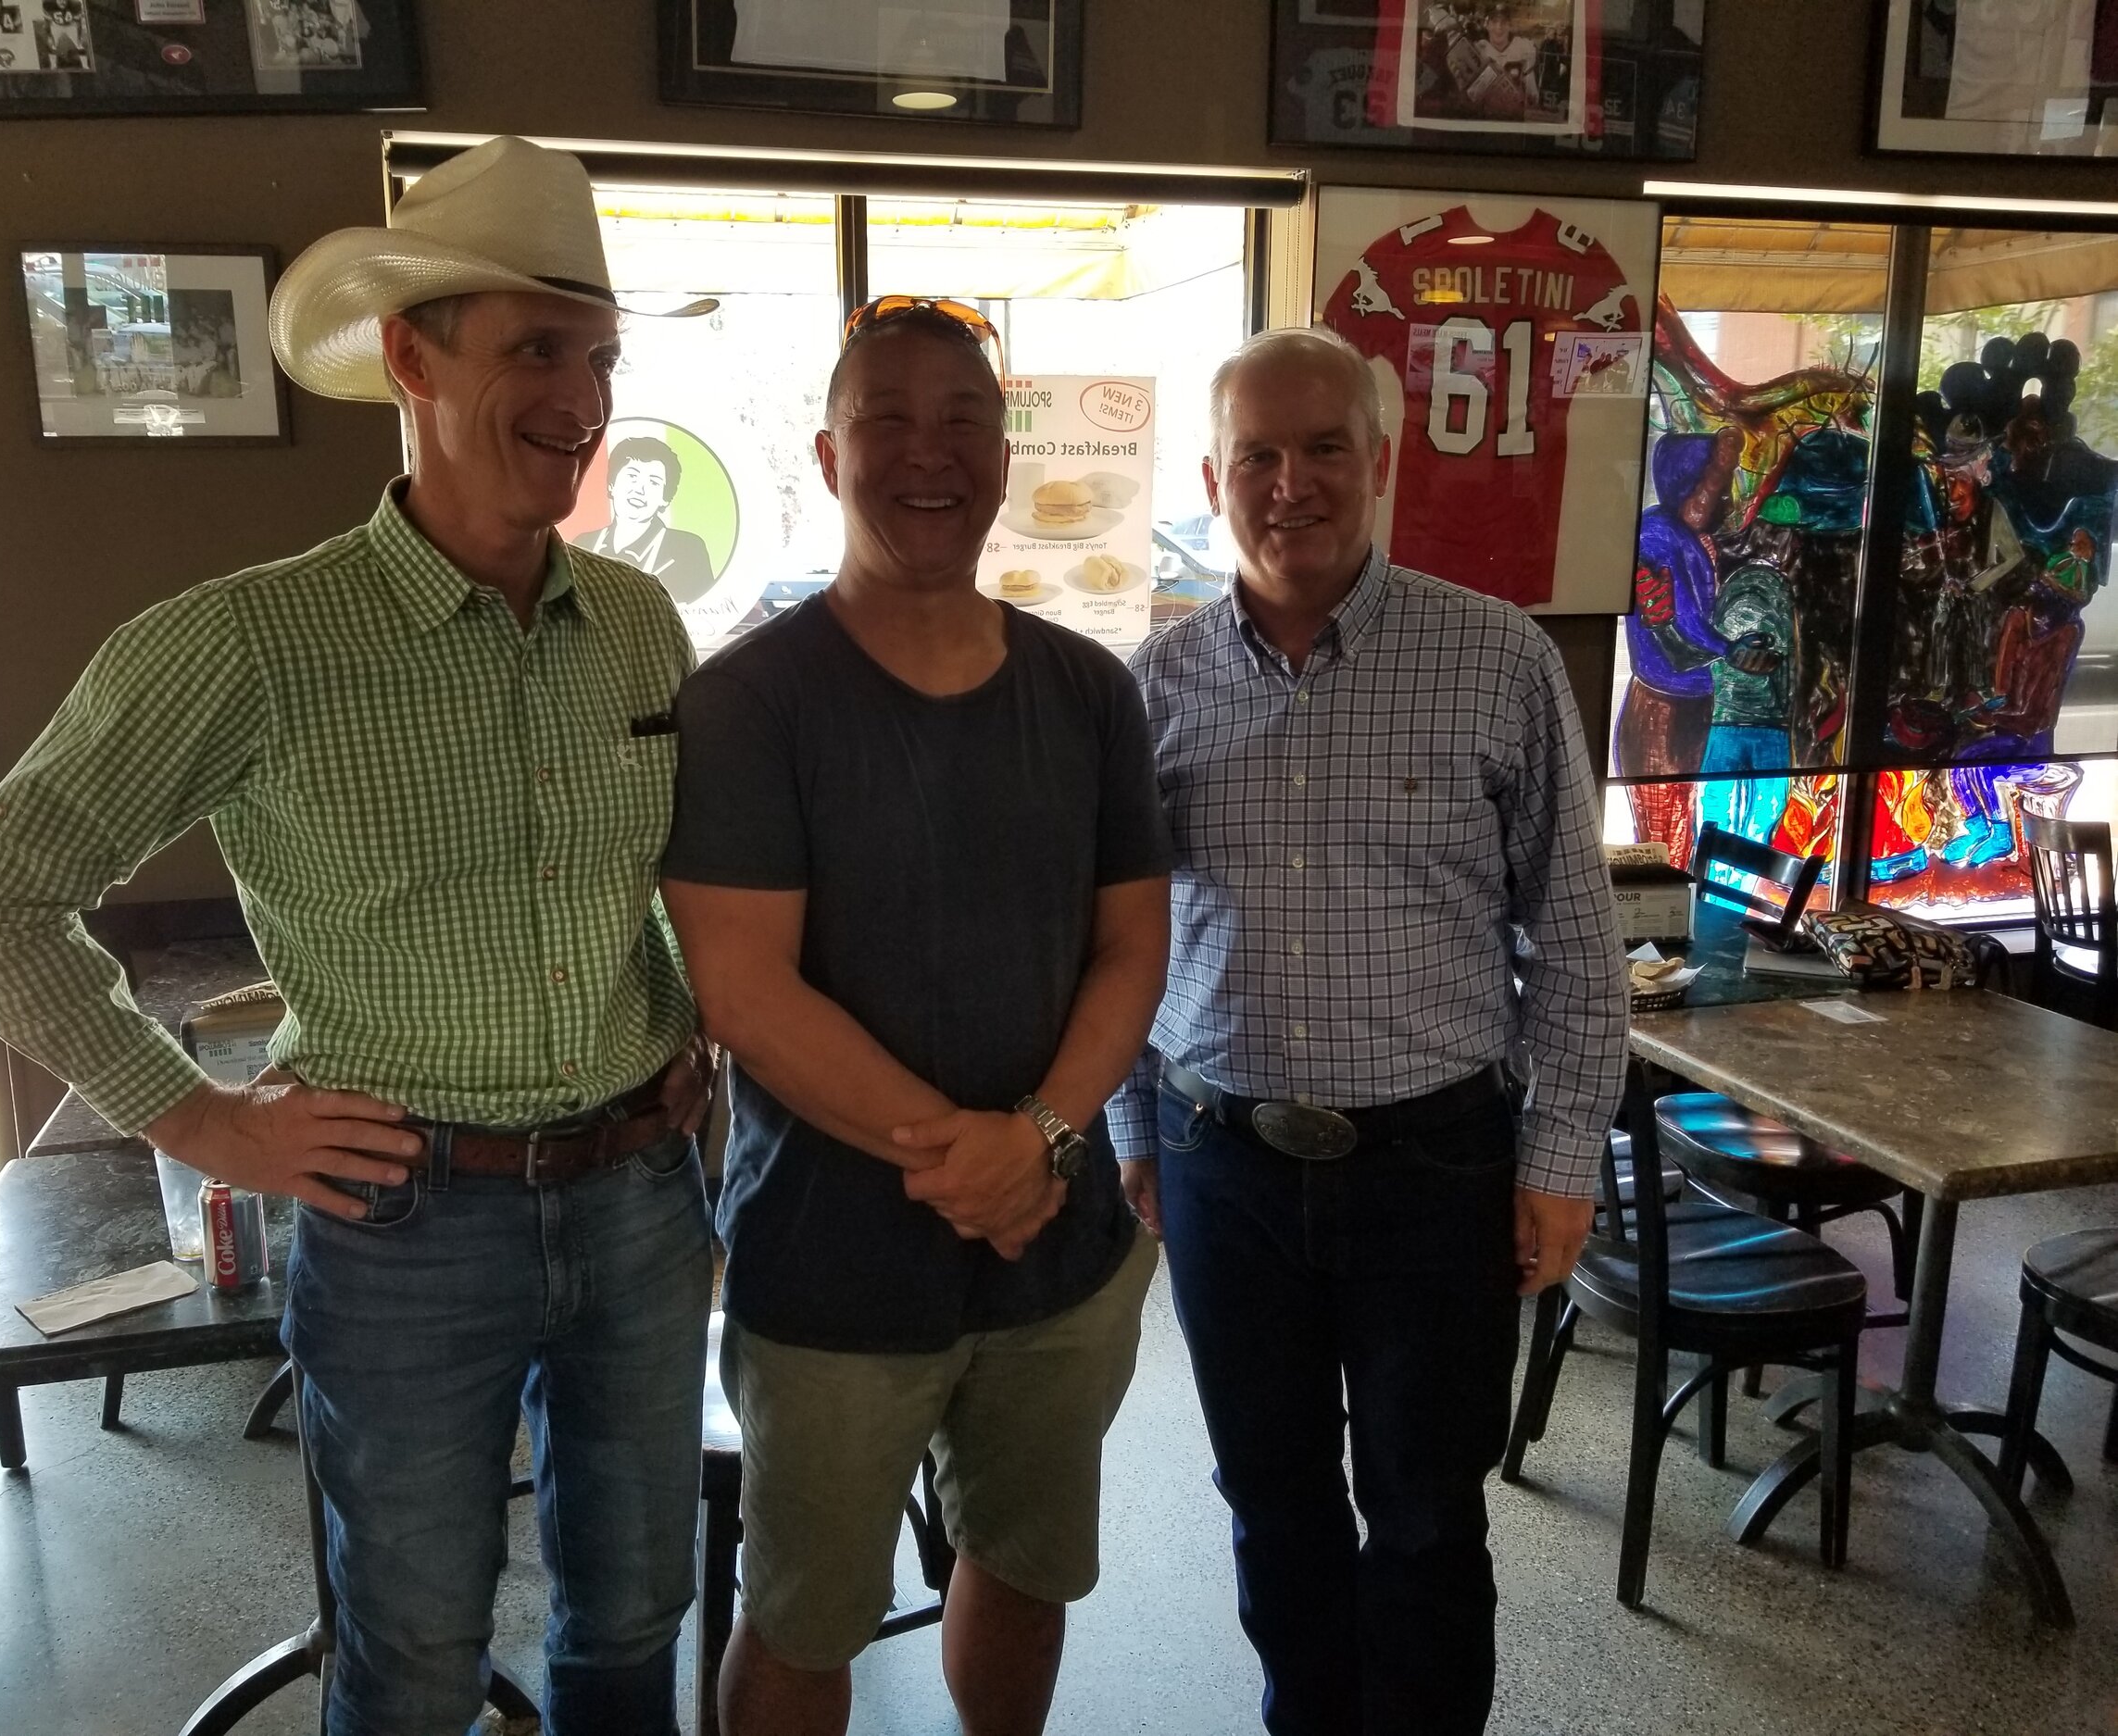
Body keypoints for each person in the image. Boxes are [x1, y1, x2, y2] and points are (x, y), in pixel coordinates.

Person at [0, 136, 720, 1736]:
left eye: (599, 355)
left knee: (638, 1610)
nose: (579, 395)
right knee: (416, 1653)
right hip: (408, 1219)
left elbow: (660, 873)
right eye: (535, 348)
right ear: (412, 359)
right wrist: (204, 1119)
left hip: (642, 1193)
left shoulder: (633, 618)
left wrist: (692, 1018)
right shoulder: (249, 643)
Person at [658, 297, 1172, 1736]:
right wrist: (977, 1157)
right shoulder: (750, 701)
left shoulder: (1086, 690)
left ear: (1005, 456)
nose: (926, 452)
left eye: (963, 419)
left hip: (1058, 1260)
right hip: (828, 1264)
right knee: (803, 1613)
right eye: (887, 418)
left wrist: (1047, 1139)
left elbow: (1134, 942)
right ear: (828, 454)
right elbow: (743, 988)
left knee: (1023, 1565)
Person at [1110, 324, 1625, 1736]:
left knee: (1422, 1510)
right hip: (1223, 1160)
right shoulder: (1152, 686)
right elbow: (1121, 938)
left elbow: (1577, 940)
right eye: (1258, 456)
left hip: (1437, 1166)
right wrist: (1132, 1128)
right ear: (1214, 476)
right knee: (1269, 1504)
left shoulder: (1496, 657)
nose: (1292, 483)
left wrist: (1563, 1158)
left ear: (1380, 460)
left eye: (1324, 447)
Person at [576, 433, 718, 603]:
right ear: (611, 484)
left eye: (654, 482)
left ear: (665, 499)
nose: (639, 490)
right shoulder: (583, 544)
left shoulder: (688, 550)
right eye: (632, 477)